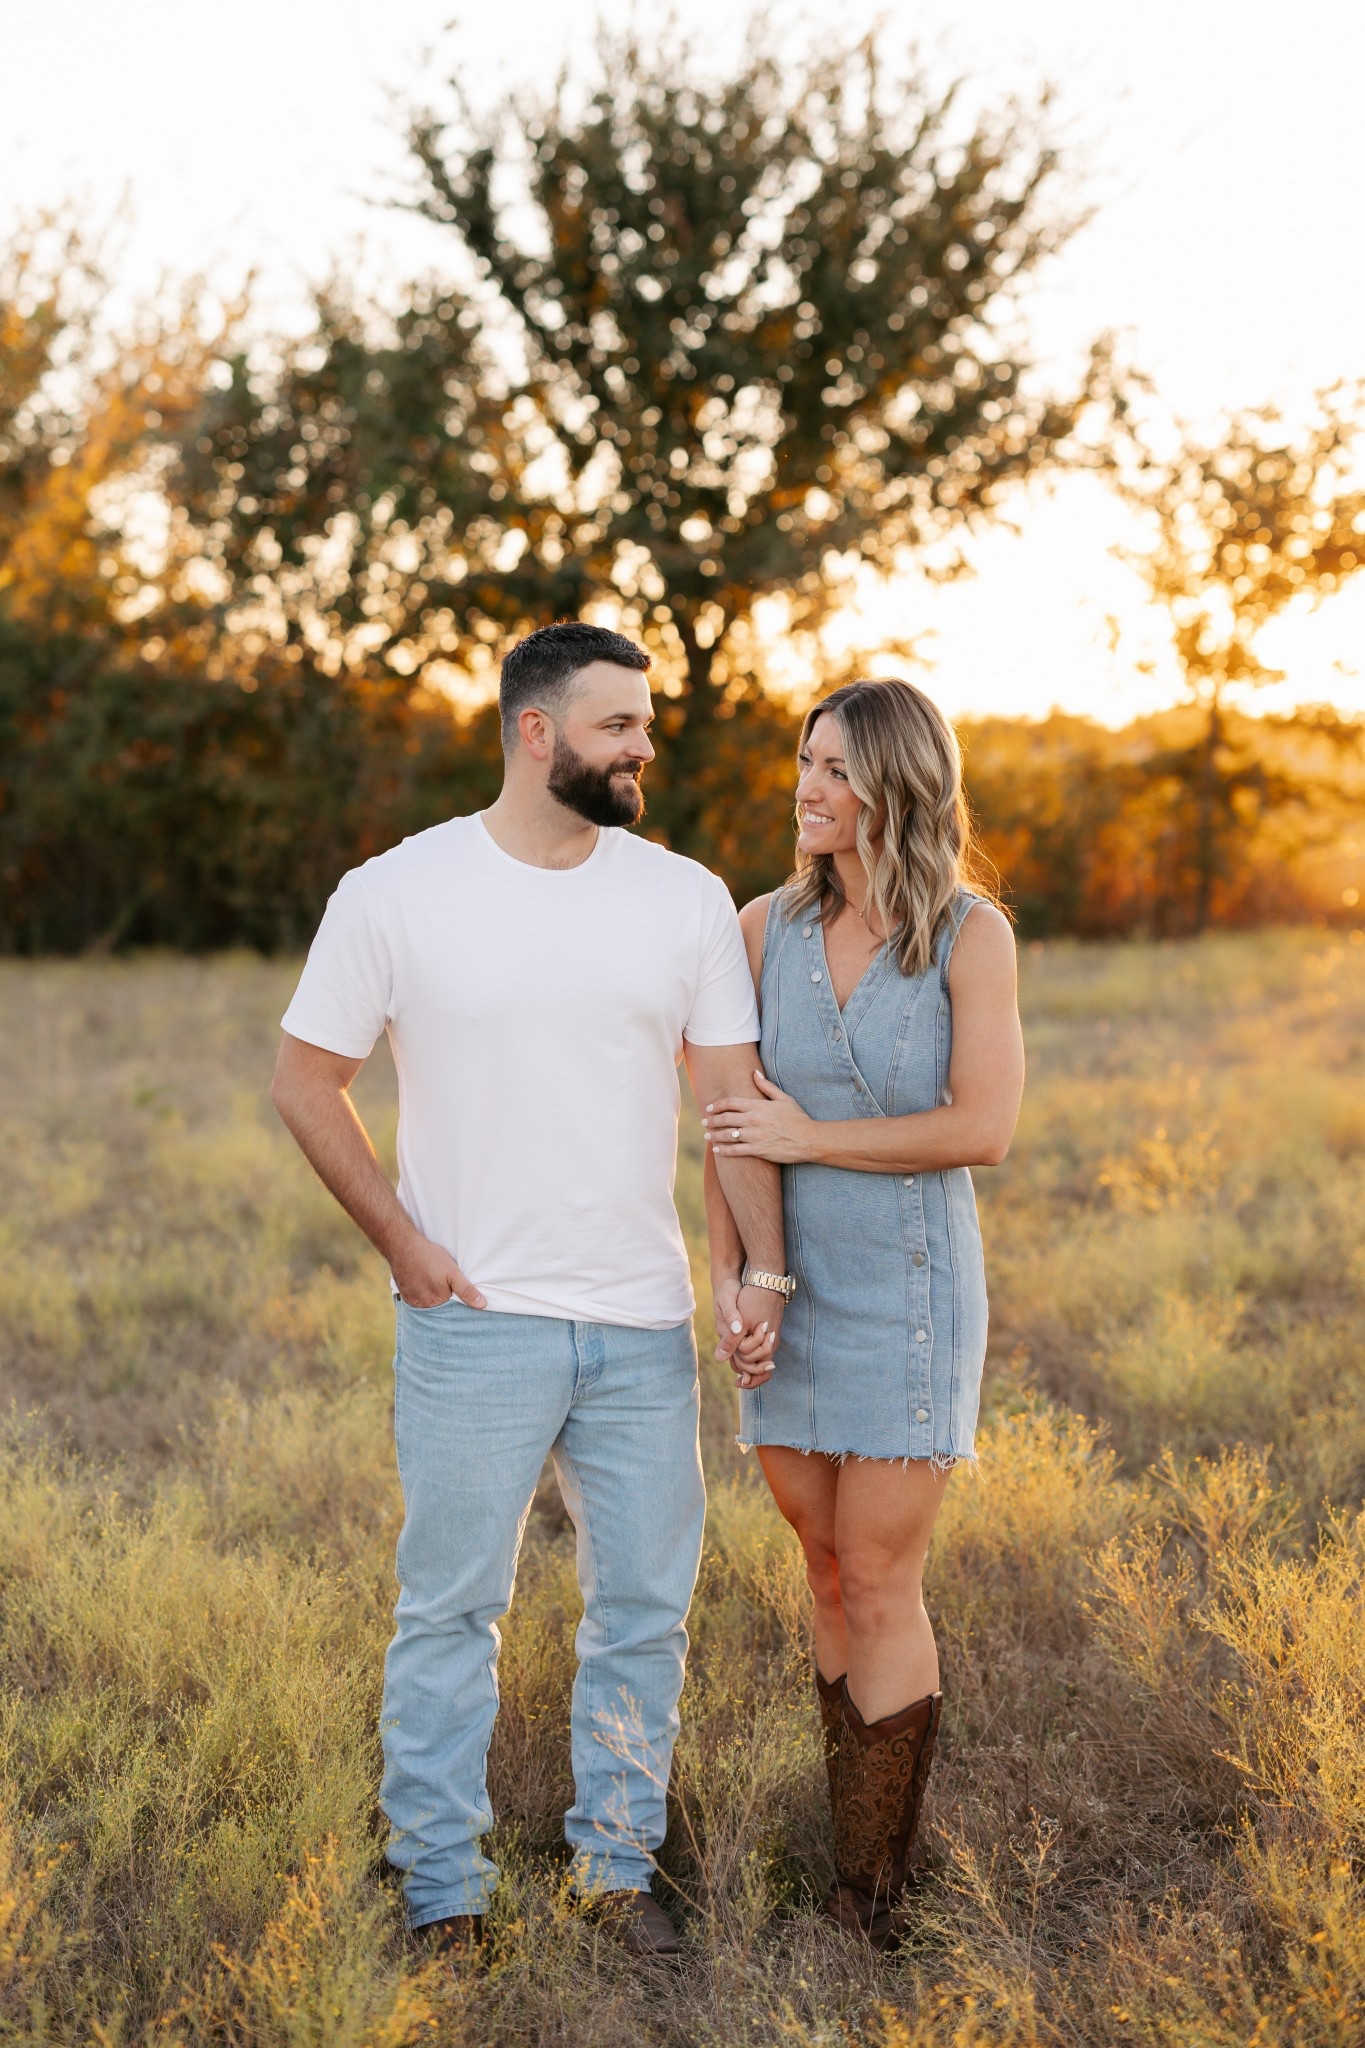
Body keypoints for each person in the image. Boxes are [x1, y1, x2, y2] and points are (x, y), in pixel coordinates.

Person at [269, 621, 789, 1964]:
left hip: (640, 1323)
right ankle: (439, 1884)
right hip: (471, 1323)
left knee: (643, 1610)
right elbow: (302, 1081)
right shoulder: (396, 891)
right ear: (535, 730)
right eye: (619, 725)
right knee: (449, 1609)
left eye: (644, 725)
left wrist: (754, 1269)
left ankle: (616, 1873)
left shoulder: (679, 897)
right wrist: (400, 1241)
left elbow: (730, 1101)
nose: (642, 748)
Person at [702, 678, 1024, 1949]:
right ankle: (861, 1832)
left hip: (909, 1294)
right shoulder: (756, 928)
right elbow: (727, 1125)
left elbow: (980, 1128)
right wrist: (731, 1274)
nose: (807, 785)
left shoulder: (967, 933)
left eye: (835, 767)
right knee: (822, 1566)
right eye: (803, 759)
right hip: (787, 1287)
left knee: (883, 1573)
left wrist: (812, 1134)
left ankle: (867, 1897)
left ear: (896, 783)